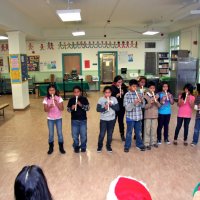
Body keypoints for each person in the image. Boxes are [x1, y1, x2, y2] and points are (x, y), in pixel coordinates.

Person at [124, 79, 146, 152]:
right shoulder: (127, 95)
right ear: (129, 87)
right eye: (133, 86)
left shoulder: (140, 93)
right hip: (130, 117)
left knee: (138, 132)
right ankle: (127, 146)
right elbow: (127, 108)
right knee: (129, 132)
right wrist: (134, 102)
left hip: (138, 116)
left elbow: (143, 106)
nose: (135, 88)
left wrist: (142, 100)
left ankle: (139, 144)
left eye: (136, 86)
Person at [43, 84, 65, 154]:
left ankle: (61, 147)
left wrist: (57, 103)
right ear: (48, 91)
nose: (51, 92)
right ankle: (51, 147)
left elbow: (62, 108)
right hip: (50, 119)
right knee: (51, 134)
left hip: (58, 118)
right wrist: (49, 106)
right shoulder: (46, 99)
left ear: (55, 91)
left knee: (60, 133)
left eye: (53, 90)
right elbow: (45, 110)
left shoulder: (59, 98)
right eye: (50, 90)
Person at [96, 86, 119, 153]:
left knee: (110, 134)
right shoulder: (101, 99)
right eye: (106, 93)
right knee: (102, 134)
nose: (107, 94)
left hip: (112, 119)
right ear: (104, 93)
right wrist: (104, 108)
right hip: (103, 119)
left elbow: (117, 108)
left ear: (111, 93)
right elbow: (98, 109)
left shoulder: (114, 99)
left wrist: (111, 105)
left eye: (109, 93)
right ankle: (99, 146)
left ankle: (108, 146)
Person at [67, 86, 90, 153]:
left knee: (83, 135)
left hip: (83, 120)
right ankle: (76, 146)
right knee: (74, 135)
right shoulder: (71, 100)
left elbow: (88, 108)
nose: (76, 93)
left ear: (80, 92)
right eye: (75, 92)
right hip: (74, 120)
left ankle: (83, 147)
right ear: (73, 93)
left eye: (78, 92)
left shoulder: (84, 99)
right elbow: (68, 110)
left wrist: (81, 105)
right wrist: (72, 108)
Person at [143, 81, 160, 150]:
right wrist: (151, 103)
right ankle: (146, 143)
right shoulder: (145, 96)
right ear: (148, 89)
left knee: (154, 129)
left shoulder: (156, 96)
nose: (152, 89)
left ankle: (153, 142)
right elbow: (145, 107)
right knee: (147, 130)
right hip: (147, 115)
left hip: (155, 115)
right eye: (151, 88)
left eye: (153, 88)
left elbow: (159, 106)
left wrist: (156, 101)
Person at [111, 75, 128, 141]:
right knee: (113, 121)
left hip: (121, 107)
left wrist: (124, 94)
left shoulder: (124, 87)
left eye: (121, 82)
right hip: (114, 107)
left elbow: (127, 95)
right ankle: (110, 134)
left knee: (121, 121)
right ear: (115, 82)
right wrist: (116, 95)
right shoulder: (112, 88)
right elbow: (110, 97)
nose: (120, 84)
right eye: (118, 82)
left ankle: (122, 135)